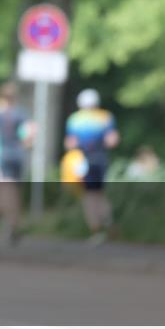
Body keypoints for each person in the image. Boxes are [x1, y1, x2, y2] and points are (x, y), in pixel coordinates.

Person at [64, 88, 119, 244]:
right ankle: (107, 220)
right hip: (101, 158)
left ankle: (95, 229)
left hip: (83, 160)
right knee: (99, 193)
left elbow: (70, 143)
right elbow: (112, 140)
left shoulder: (75, 119)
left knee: (88, 195)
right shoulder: (105, 117)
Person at [0, 81, 34, 244]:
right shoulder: (21, 112)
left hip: (1, 157)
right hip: (18, 156)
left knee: (3, 191)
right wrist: (24, 145)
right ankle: (13, 222)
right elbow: (30, 133)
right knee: (15, 190)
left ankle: (9, 223)